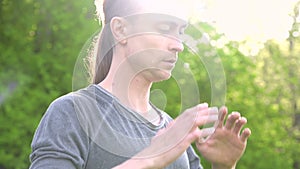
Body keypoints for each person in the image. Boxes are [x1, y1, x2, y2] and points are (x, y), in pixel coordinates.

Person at [29, 0, 251, 168]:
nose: (179, 45)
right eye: (164, 29)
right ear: (121, 30)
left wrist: (223, 166)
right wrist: (151, 158)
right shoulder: (72, 112)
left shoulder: (172, 129)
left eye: (180, 32)